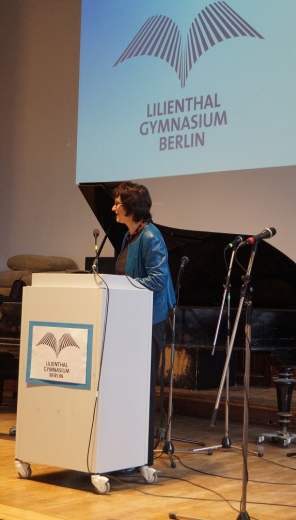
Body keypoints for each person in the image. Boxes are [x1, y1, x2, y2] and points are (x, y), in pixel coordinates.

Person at [112, 181, 175, 467]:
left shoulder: (151, 236)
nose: (113, 207)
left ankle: (140, 454)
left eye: (118, 203)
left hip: (149, 320)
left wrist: (124, 286)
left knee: (141, 386)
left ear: (131, 206)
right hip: (131, 318)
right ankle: (123, 449)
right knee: (127, 385)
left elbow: (158, 280)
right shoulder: (130, 236)